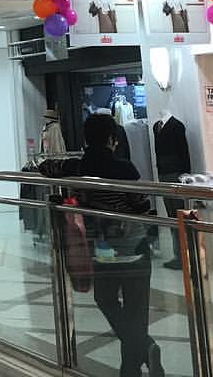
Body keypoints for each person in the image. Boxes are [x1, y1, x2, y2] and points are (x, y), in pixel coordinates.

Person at [79, 113, 163, 377]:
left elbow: (49, 169)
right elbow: (140, 205)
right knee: (136, 309)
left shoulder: (79, 168)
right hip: (134, 248)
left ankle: (131, 367)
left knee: (104, 298)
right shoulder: (124, 168)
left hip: (103, 250)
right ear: (111, 139)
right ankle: (143, 348)